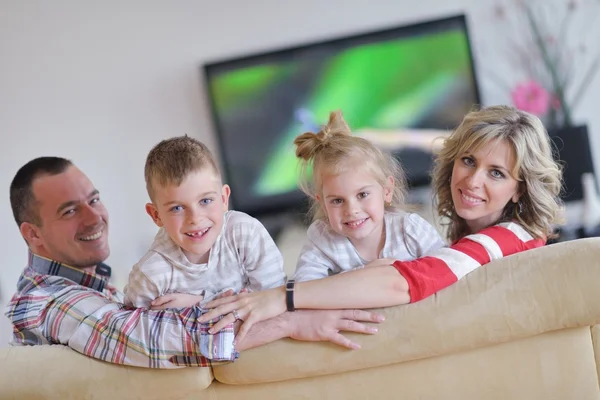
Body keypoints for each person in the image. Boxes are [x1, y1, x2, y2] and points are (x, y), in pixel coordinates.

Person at [200, 105, 563, 343]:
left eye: (496, 173)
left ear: (520, 189)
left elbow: (407, 282)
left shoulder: (510, 238)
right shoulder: (471, 236)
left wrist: (284, 299)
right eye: (468, 160)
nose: (471, 180)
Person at [4, 157, 385, 369]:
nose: (94, 217)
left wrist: (202, 301)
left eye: (94, 199)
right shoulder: (48, 302)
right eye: (70, 210)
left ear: (223, 198)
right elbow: (153, 339)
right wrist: (295, 319)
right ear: (33, 235)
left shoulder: (90, 287)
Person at [123, 136, 286, 309]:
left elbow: (275, 300)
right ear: (156, 215)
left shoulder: (246, 234)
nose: (195, 218)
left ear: (224, 199)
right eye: (177, 208)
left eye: (205, 201)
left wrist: (199, 304)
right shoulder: (151, 276)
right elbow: (132, 328)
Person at [292, 110, 445, 282]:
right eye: (337, 200)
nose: (351, 210)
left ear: (387, 190)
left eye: (362, 194)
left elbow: (446, 271)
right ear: (323, 204)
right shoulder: (323, 238)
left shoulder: (411, 230)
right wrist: (364, 274)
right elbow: (303, 288)